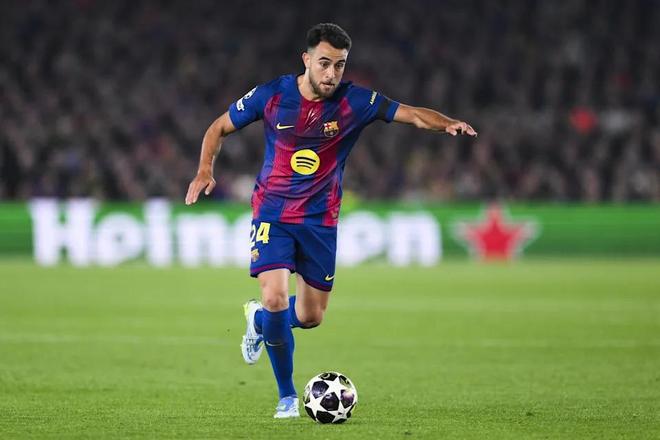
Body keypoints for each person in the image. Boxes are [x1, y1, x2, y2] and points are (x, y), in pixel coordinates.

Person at [185, 23, 477, 418]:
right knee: (274, 296)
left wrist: (446, 123)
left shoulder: (355, 101)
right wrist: (205, 169)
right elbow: (217, 127)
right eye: (324, 63)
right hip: (272, 211)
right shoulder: (272, 95)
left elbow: (411, 115)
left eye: (339, 65)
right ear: (306, 60)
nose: (331, 73)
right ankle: (287, 397)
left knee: (310, 316)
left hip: (320, 220)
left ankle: (259, 321)